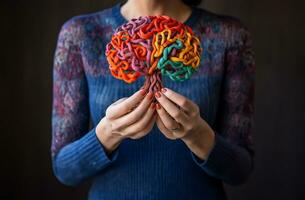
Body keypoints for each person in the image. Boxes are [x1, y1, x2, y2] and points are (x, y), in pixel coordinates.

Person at [51, 0, 256, 199]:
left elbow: (240, 171)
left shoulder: (229, 36)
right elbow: (64, 170)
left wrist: (198, 135)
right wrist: (108, 134)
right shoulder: (80, 34)